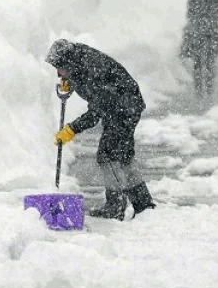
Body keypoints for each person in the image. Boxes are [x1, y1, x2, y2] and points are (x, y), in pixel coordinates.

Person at [46, 39, 156, 220]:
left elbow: (96, 111)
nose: (58, 72)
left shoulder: (92, 71)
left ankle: (116, 205)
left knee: (108, 155)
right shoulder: (78, 59)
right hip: (124, 104)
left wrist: (71, 129)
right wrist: (69, 80)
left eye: (60, 68)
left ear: (68, 62)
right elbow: (85, 79)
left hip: (122, 108)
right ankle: (142, 203)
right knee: (124, 155)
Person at [179, 0, 218, 96]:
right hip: (210, 32)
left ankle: (198, 88)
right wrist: (209, 20)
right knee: (209, 62)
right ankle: (209, 87)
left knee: (197, 62)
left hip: (197, 33)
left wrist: (197, 21)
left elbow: (189, 14)